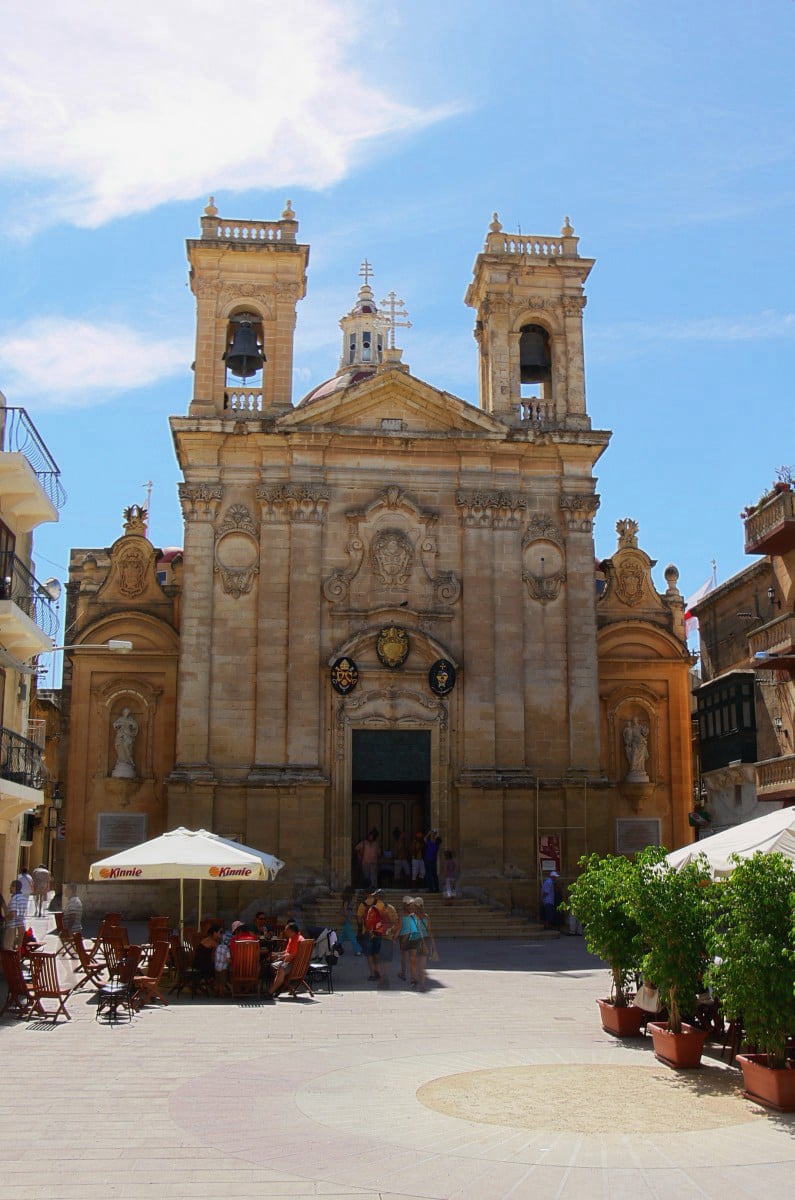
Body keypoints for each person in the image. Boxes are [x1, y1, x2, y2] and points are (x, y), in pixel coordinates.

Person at [266, 920, 304, 997]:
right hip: (298, 965)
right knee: (272, 966)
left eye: (287, 930)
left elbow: (291, 955)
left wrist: (278, 958)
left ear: (292, 931)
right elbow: (287, 952)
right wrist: (277, 954)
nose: (285, 932)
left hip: (294, 965)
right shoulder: (295, 938)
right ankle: (278, 987)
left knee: (280, 968)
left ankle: (270, 992)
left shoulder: (297, 940)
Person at [337, 887, 362, 955]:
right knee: (352, 935)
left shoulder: (349, 900)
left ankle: (336, 947)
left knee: (342, 935)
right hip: (346, 919)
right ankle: (358, 950)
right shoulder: (347, 901)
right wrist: (348, 916)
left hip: (347, 918)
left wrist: (352, 915)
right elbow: (345, 910)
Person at [5, 880, 28, 948]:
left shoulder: (15, 899)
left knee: (7, 947)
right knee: (19, 947)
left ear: (15, 887)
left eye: (11, 886)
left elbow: (13, 914)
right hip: (21, 925)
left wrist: (5, 919)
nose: (10, 888)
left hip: (13, 926)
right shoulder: (23, 898)